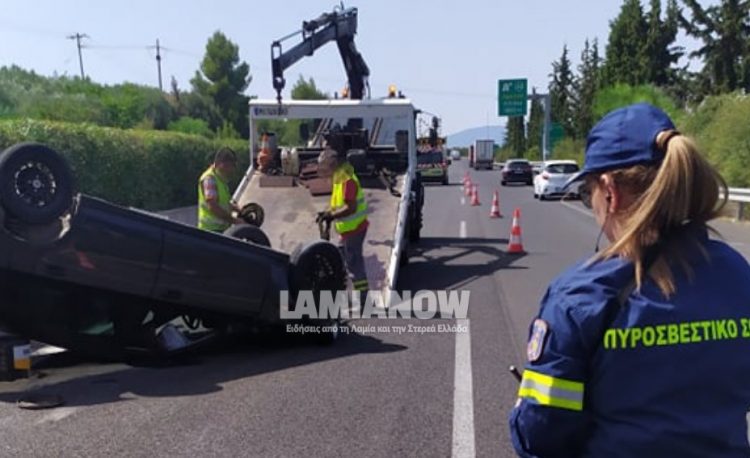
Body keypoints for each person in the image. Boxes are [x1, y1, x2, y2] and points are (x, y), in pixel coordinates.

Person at [508, 103, 750, 457]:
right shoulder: (737, 273)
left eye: (589, 192)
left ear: (609, 190)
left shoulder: (580, 296)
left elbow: (541, 433)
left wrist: (521, 416)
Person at [317, 146, 370, 294]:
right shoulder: (339, 178)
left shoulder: (347, 181)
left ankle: (365, 302)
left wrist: (332, 216)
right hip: (348, 230)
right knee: (340, 260)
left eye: (325, 167)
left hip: (355, 229)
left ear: (333, 164)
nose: (323, 172)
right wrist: (328, 213)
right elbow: (338, 204)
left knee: (354, 266)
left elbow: (351, 208)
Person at [198, 147, 242, 232]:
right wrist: (234, 220)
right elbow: (213, 206)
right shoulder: (209, 179)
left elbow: (223, 203)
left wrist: (237, 209)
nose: (232, 170)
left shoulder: (220, 179)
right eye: (231, 166)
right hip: (211, 231)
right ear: (223, 165)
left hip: (220, 229)